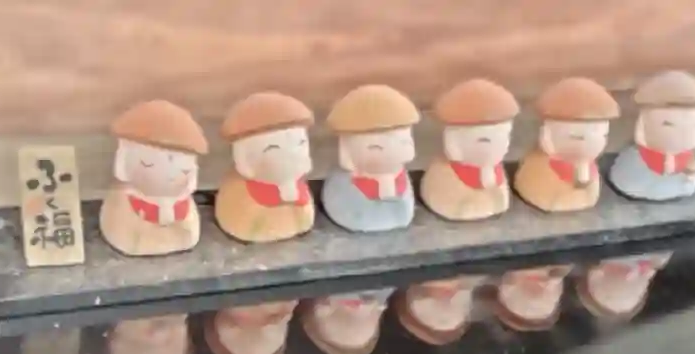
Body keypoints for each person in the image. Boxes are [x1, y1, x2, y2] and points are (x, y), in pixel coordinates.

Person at [99, 100, 207, 257]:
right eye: (148, 163)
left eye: (183, 169)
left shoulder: (184, 204)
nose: (170, 175)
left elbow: (189, 233)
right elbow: (126, 235)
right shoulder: (122, 200)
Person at [214, 92, 316, 243]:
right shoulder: (237, 190)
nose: (294, 154)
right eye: (273, 149)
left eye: (301, 143)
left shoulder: (298, 186)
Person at [322, 85, 420, 233]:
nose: (394, 153)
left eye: (405, 142)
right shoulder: (342, 184)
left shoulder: (401, 177)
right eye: (376, 147)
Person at [514, 77, 619, 213]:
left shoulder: (590, 167)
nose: (594, 145)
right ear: (547, 135)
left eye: (604, 135)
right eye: (577, 137)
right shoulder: (535, 173)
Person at [420, 79, 519, 222]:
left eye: (506, 136)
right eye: (484, 141)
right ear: (453, 142)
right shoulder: (443, 177)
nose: (502, 147)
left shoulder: (496, 171)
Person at [608, 70, 695, 202]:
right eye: (668, 124)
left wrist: (690, 174)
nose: (683, 135)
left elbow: (689, 173)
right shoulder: (632, 165)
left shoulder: (686, 157)